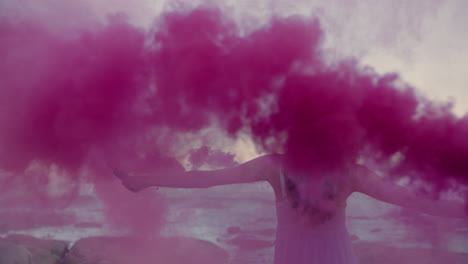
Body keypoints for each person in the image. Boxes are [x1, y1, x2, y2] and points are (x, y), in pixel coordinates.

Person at [113, 154, 466, 264]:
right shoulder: (350, 173)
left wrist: (142, 179)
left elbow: (207, 179)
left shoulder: (275, 166)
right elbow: (415, 200)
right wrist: (141, 179)